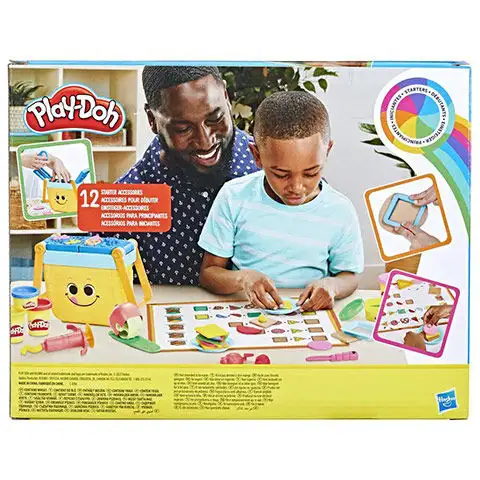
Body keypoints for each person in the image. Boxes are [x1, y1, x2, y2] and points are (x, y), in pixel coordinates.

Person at [198, 91, 364, 311]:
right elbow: (209, 273)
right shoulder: (233, 196)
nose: (296, 187)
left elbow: (349, 276)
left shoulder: (340, 210)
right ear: (257, 156)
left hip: (309, 315)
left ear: (327, 151)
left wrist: (332, 286)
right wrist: (243, 279)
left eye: (311, 173)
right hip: (247, 313)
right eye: (281, 174)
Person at [115, 66, 257, 285]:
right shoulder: (125, 204)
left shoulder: (276, 171)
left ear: (226, 96)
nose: (205, 141)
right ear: (152, 120)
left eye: (215, 119)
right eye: (183, 129)